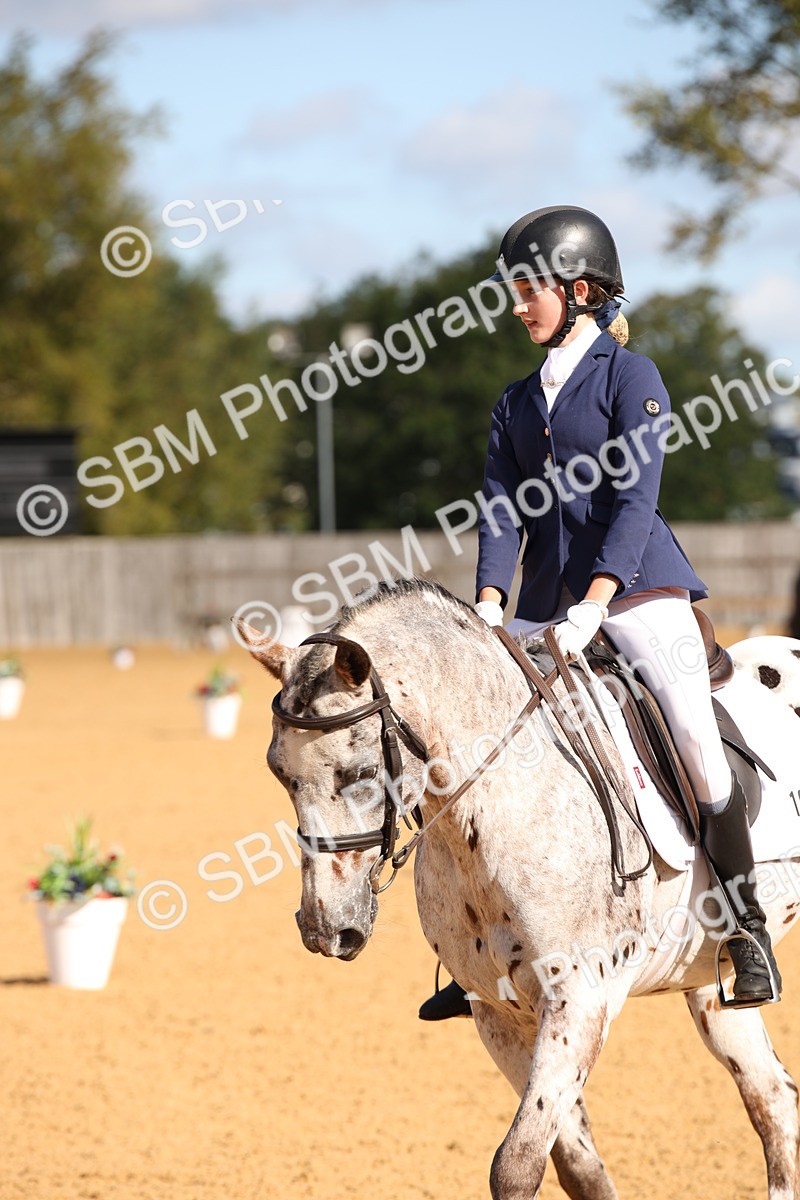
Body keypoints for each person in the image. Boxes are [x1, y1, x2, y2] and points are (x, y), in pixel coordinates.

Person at [419, 205, 781, 1020]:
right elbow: (500, 510)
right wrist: (489, 604)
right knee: (466, 738)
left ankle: (746, 928)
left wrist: (597, 599)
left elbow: (634, 499)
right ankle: (470, 944)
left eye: (529, 290)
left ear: (579, 291)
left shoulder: (631, 377)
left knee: (696, 742)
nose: (517, 305)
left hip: (639, 589)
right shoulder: (515, 402)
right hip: (543, 601)